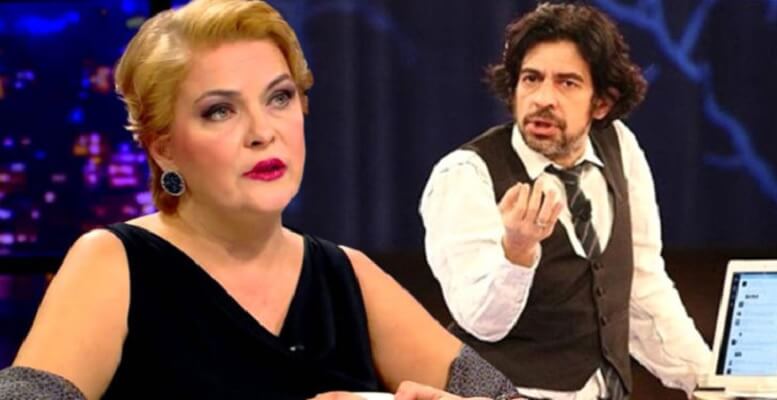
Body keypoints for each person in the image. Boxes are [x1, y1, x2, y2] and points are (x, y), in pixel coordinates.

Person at [0, 0, 520, 399]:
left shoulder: (348, 277)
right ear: (164, 148)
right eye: (219, 111)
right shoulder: (114, 264)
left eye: (279, 98)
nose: (262, 132)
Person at [419, 3, 712, 400]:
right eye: (531, 79)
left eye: (567, 83)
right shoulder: (465, 175)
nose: (543, 99)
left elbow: (642, 287)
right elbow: (480, 322)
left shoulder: (619, 147)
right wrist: (516, 252)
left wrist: (708, 381)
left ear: (602, 102)